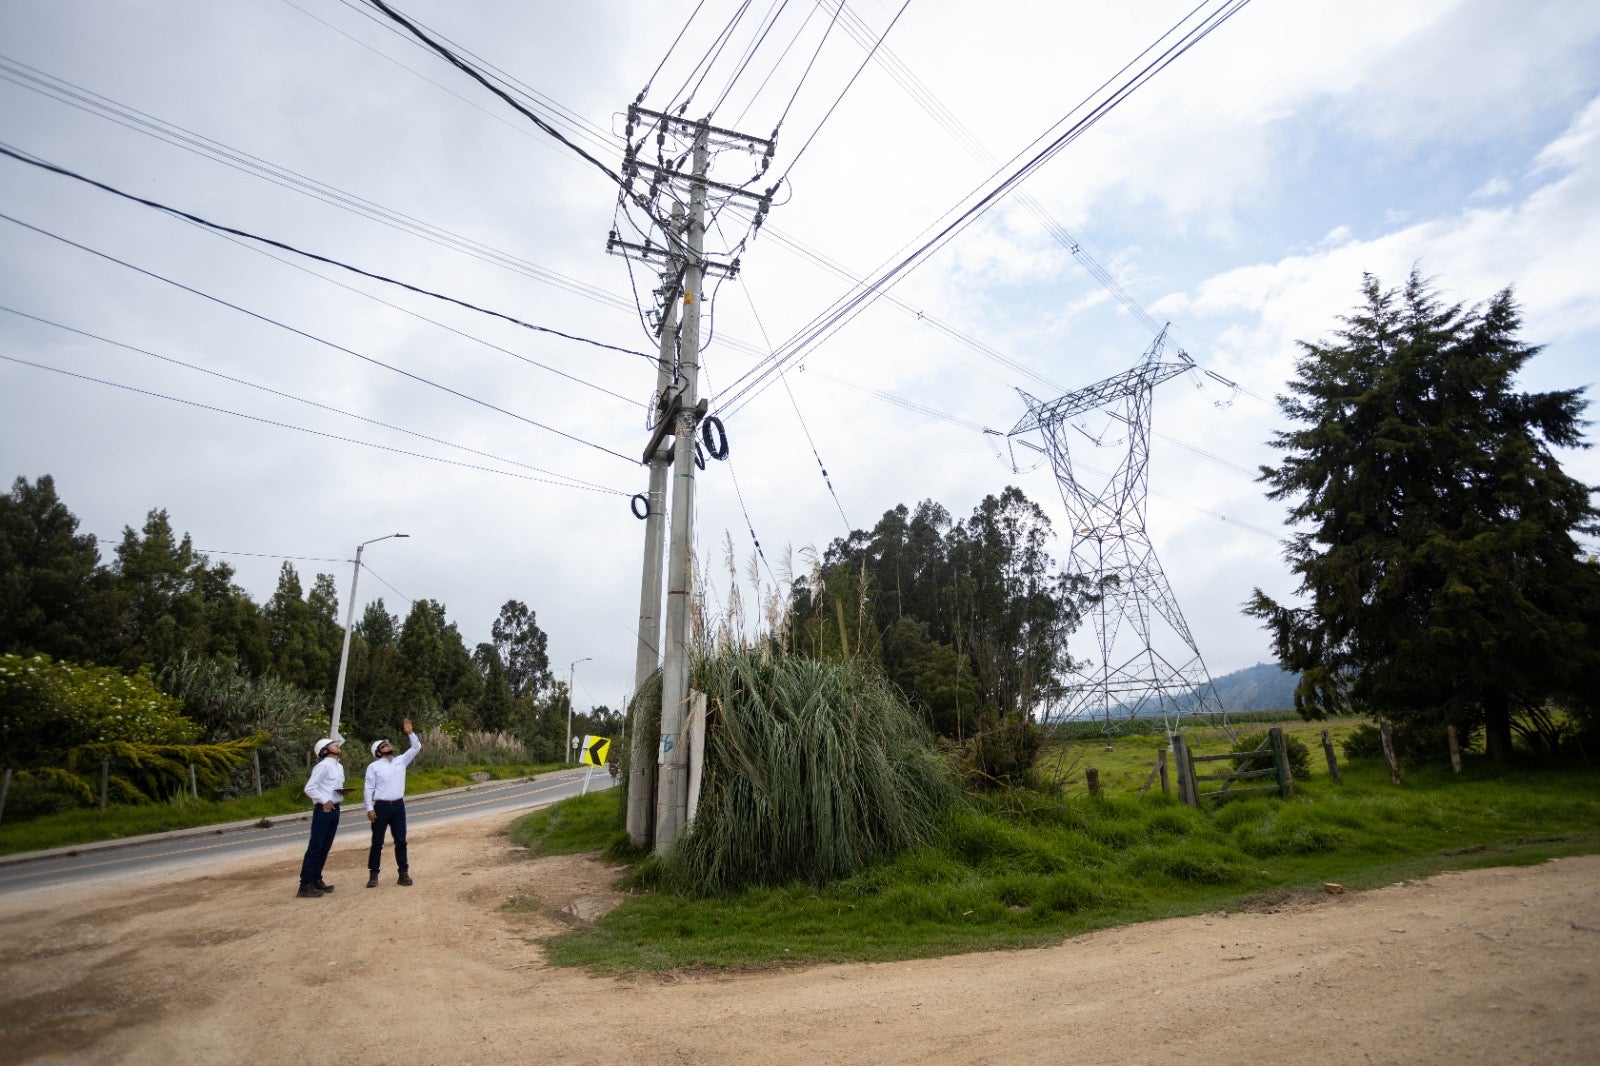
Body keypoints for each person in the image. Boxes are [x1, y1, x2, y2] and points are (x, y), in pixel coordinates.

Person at [364, 717, 421, 888]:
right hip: (381, 807)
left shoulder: (400, 760)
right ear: (379, 752)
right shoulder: (373, 767)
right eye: (384, 745)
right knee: (377, 842)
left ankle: (403, 873)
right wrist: (369, 808)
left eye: (388, 744)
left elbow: (416, 747)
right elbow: (368, 788)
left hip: (398, 806)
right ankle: (373, 874)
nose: (388, 746)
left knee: (401, 841)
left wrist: (410, 733)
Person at [297, 736, 345, 898]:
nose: (337, 745)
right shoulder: (323, 766)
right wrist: (324, 800)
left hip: (335, 808)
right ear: (325, 751)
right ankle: (305, 885)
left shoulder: (338, 766)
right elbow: (310, 788)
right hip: (323, 810)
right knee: (316, 847)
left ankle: (316, 879)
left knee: (325, 847)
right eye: (333, 745)